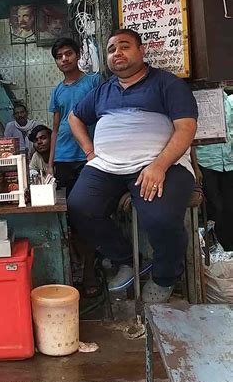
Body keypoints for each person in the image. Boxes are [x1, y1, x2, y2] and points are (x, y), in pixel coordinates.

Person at [67, 28, 198, 303]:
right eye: (112, 49)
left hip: (160, 164)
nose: (117, 53)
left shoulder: (167, 84)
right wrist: (90, 151)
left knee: (160, 217)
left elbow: (186, 128)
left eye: (124, 46)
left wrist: (159, 165)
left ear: (141, 51)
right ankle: (128, 259)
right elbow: (74, 118)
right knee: (79, 207)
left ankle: (165, 276)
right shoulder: (103, 91)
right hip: (106, 166)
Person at [48, 37, 103, 297]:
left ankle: (91, 271)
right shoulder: (57, 91)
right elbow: (56, 127)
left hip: (90, 158)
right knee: (68, 219)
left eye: (68, 54)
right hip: (63, 160)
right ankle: (78, 270)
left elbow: (104, 116)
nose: (64, 59)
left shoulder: (93, 81)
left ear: (78, 54)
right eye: (59, 57)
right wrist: (50, 162)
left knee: (89, 216)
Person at [195, 91, 233, 251]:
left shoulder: (229, 101)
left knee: (230, 205)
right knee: (217, 207)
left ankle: (229, 247)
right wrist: (196, 168)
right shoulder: (195, 100)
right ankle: (224, 244)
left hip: (229, 161)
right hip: (206, 161)